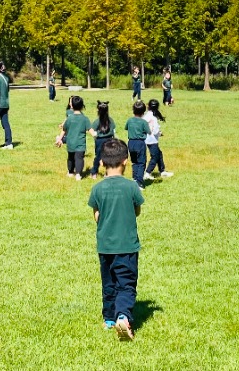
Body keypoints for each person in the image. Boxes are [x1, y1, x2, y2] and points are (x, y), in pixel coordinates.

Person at [87, 138, 145, 341]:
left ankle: (109, 318)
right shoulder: (131, 187)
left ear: (102, 163)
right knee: (126, 283)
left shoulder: (97, 189)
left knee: (109, 282)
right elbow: (137, 210)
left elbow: (96, 216)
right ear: (125, 162)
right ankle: (123, 316)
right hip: (127, 246)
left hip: (105, 246)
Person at [61, 95, 95, 180]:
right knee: (79, 158)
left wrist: (59, 138)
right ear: (82, 106)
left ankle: (70, 172)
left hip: (70, 142)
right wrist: (96, 135)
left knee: (71, 158)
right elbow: (90, 130)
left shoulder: (69, 118)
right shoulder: (84, 119)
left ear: (71, 105)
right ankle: (78, 174)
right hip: (80, 144)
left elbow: (64, 129)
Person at [143, 99, 173, 180]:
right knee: (155, 156)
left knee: (159, 154)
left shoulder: (147, 115)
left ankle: (162, 171)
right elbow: (155, 130)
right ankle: (147, 173)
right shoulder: (153, 117)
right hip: (152, 140)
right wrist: (159, 133)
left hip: (147, 138)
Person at [125, 101, 149, 189]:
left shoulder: (129, 120)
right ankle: (139, 181)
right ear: (143, 112)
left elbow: (126, 128)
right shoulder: (143, 122)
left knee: (134, 161)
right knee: (141, 162)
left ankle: (134, 178)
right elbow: (148, 131)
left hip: (131, 143)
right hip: (140, 143)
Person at [90, 101, 116, 180]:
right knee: (109, 157)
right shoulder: (111, 120)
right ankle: (107, 173)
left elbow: (92, 130)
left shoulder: (97, 121)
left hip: (99, 141)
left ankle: (94, 172)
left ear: (98, 110)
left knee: (98, 156)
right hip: (109, 140)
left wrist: (95, 136)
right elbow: (114, 130)